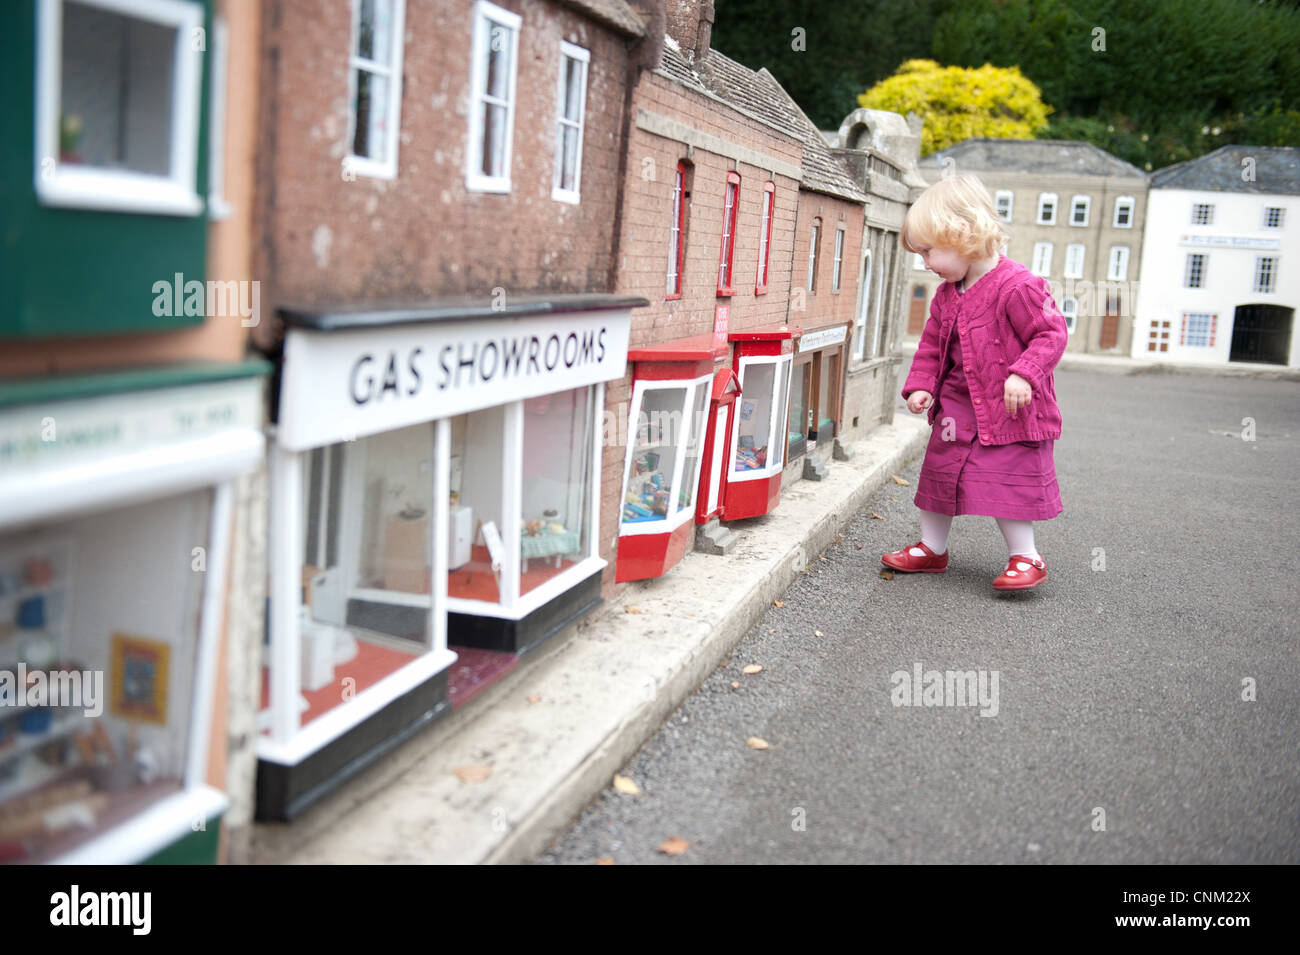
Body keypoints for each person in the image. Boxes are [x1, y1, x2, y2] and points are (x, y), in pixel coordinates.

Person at [882, 172, 1068, 590]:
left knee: (1009, 481)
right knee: (939, 475)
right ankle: (932, 547)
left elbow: (1051, 333)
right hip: (958, 408)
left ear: (961, 235)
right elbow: (932, 344)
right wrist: (921, 385)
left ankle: (1027, 556)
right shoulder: (948, 294)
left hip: (1010, 410)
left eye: (928, 251)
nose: (924, 263)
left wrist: (1024, 373)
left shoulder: (1018, 287)